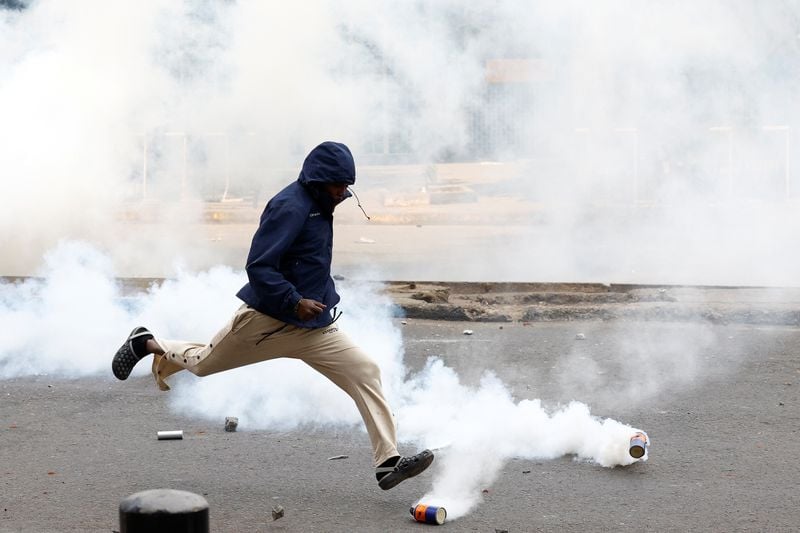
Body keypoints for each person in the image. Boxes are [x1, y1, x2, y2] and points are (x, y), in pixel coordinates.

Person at [112, 141, 433, 490]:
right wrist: (294, 301)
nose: (343, 193)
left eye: (347, 185)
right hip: (266, 321)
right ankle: (146, 342)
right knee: (203, 364)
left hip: (313, 326)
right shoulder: (289, 207)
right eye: (338, 185)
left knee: (366, 371)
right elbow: (259, 266)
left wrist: (311, 302)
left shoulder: (321, 205)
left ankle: (387, 462)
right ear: (318, 180)